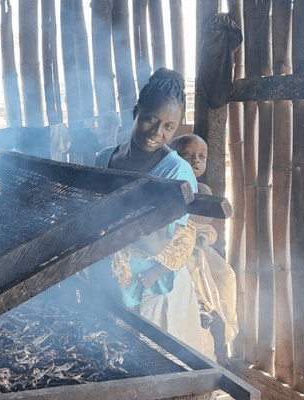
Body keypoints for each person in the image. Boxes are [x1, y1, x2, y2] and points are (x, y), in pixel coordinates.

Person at [94, 68, 203, 352]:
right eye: (150, 119)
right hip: (111, 277)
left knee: (152, 361)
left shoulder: (177, 172)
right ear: (136, 112)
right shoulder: (105, 158)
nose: (157, 133)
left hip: (152, 286)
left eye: (169, 127)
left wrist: (112, 220)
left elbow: (160, 244)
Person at [169, 133, 239, 362]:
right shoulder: (168, 185)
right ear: (171, 155)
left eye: (201, 157)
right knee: (192, 274)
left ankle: (222, 323)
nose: (195, 161)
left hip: (195, 244)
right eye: (187, 155)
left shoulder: (203, 189)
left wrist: (194, 236)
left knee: (225, 275)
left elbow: (203, 223)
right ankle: (201, 306)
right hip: (171, 246)